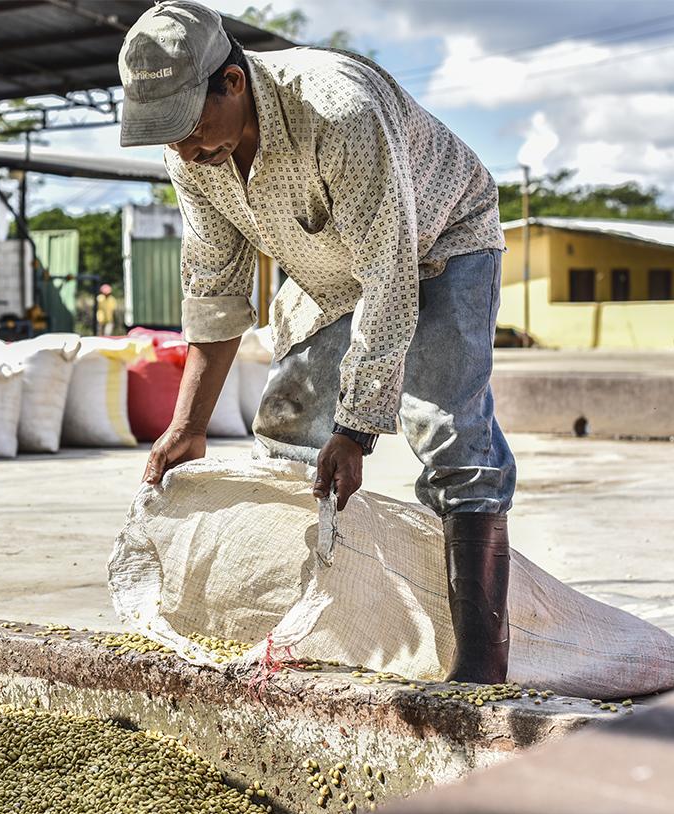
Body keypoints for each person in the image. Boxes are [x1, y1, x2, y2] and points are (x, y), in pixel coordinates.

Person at [122, 2, 515, 684]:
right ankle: (299, 629)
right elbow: (215, 290)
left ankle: (480, 664)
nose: (183, 150)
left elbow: (389, 277)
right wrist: (187, 426)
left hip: (444, 239)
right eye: (168, 135)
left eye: (189, 127)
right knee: (286, 424)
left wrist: (355, 430)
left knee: (446, 425)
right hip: (330, 266)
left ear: (232, 83)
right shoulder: (192, 155)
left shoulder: (338, 113)